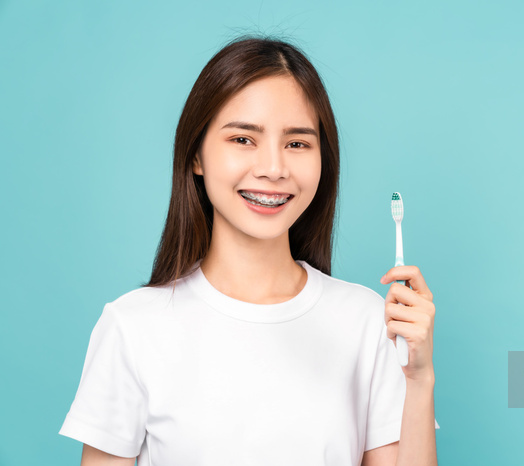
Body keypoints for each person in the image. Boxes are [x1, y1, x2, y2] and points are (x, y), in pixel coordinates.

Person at [58, 34, 439, 466]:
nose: (273, 169)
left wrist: (419, 379)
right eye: (243, 139)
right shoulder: (132, 327)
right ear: (196, 155)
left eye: (297, 143)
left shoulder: (368, 322)